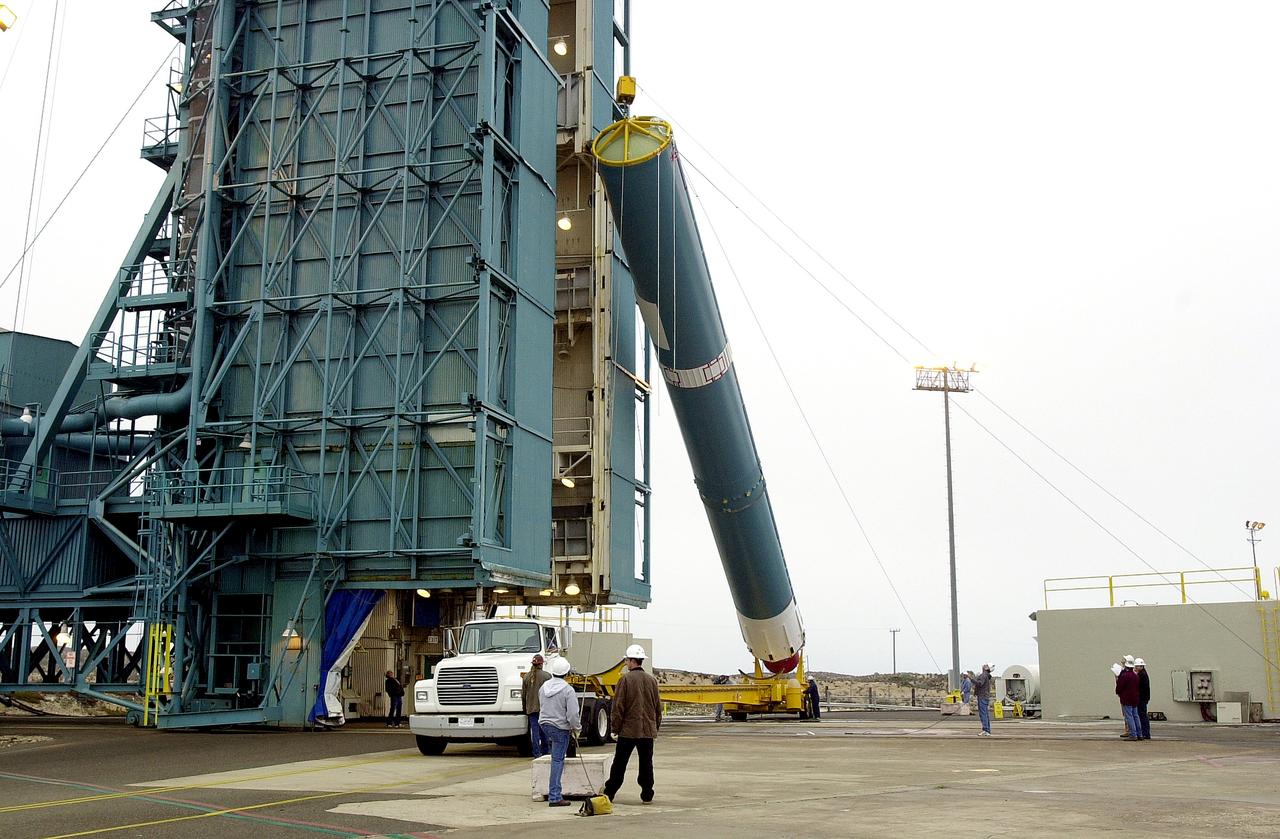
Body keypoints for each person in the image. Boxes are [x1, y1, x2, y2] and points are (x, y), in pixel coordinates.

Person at [603, 644, 662, 804]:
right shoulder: (652, 681)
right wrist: (654, 727)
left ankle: (610, 792)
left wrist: (615, 728)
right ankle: (647, 793)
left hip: (628, 731)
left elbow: (619, 707)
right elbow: (658, 708)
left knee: (620, 763)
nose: (626, 663)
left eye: (627, 660)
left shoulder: (625, 680)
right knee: (646, 763)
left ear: (631, 661)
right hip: (647, 731)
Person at [538, 656, 580, 807]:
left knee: (554, 756)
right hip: (559, 727)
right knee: (557, 760)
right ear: (567, 673)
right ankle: (555, 796)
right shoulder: (568, 690)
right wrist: (576, 729)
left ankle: (555, 794)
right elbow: (573, 715)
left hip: (544, 724)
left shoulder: (544, 687)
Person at [522, 654, 552, 757]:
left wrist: (524, 709)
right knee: (545, 731)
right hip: (544, 708)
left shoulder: (526, 677)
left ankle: (536, 752)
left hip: (531, 709)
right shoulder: (547, 676)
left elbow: (523, 695)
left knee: (535, 732)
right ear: (541, 664)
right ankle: (546, 751)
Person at [1115, 658, 1141, 741]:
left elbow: (1119, 688)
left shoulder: (1124, 676)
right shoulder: (1135, 675)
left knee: (1129, 717)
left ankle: (1133, 735)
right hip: (1135, 698)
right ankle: (1139, 734)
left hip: (1126, 699)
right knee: (1136, 716)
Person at [968, 663, 994, 736]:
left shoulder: (983, 675)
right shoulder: (987, 676)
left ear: (986, 668)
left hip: (982, 696)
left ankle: (986, 730)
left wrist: (971, 679)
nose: (983, 666)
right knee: (985, 713)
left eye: (985, 665)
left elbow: (979, 684)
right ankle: (987, 729)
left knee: (983, 714)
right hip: (985, 696)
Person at [1134, 658, 1151, 740]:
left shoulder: (1141, 675)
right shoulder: (1143, 673)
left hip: (1142, 698)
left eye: (1136, 666)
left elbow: (1139, 687)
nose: (1135, 668)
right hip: (1144, 697)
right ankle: (1145, 732)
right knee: (1143, 715)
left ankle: (1145, 733)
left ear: (1141, 666)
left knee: (1142, 715)